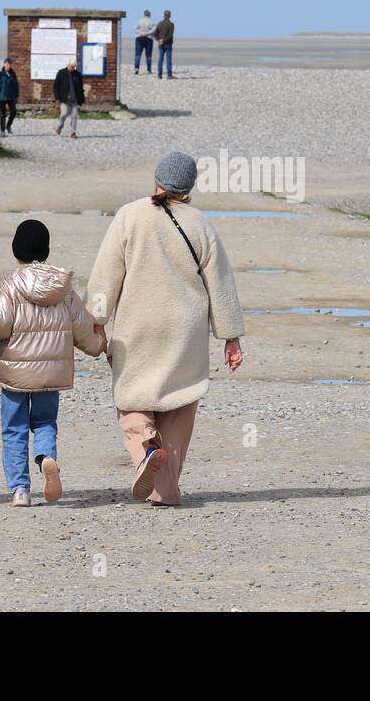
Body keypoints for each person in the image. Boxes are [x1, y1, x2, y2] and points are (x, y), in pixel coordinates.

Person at [86, 152, 245, 506]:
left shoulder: (130, 216)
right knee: (179, 401)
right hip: (185, 327)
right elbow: (220, 283)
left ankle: (145, 447)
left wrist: (95, 322)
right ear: (189, 187)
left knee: (131, 396)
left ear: (157, 178)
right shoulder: (201, 224)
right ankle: (165, 490)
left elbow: (106, 273)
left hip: (138, 324)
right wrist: (230, 336)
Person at [0, 220, 106, 506]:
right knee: (44, 422)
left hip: (14, 373)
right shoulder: (63, 286)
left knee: (14, 428)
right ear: (47, 249)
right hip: (51, 375)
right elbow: (82, 330)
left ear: (16, 250)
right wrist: (99, 346)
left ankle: (20, 490)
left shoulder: (11, 283)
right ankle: (46, 458)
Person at [53, 59, 84, 139]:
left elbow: (80, 88)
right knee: (64, 113)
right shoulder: (61, 73)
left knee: (74, 115)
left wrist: (81, 99)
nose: (73, 68)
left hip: (74, 99)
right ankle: (59, 126)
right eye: (72, 66)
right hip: (64, 98)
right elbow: (56, 85)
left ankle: (72, 133)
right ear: (68, 65)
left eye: (74, 67)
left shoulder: (78, 75)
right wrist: (57, 97)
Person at [0, 58, 21, 136]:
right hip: (1, 96)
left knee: (13, 112)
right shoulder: (0, 74)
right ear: (4, 64)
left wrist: (17, 95)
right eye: (7, 64)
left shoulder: (13, 74)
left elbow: (16, 85)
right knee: (3, 113)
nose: (8, 66)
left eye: (10, 65)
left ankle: (8, 126)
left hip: (11, 96)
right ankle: (2, 131)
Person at [153, 10, 175, 80]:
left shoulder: (160, 23)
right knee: (168, 60)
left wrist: (159, 39)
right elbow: (170, 35)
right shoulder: (171, 24)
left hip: (161, 44)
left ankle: (159, 75)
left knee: (160, 59)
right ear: (170, 15)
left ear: (164, 15)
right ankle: (169, 75)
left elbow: (155, 34)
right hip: (167, 44)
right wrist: (163, 40)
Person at [133, 10, 155, 75]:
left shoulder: (139, 21)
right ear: (149, 14)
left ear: (144, 14)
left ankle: (136, 69)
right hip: (149, 38)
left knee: (138, 54)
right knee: (148, 55)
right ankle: (149, 70)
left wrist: (141, 33)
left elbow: (135, 29)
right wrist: (146, 33)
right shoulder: (152, 22)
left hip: (139, 38)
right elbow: (154, 30)